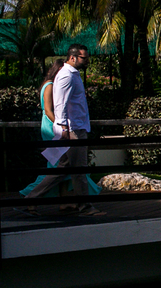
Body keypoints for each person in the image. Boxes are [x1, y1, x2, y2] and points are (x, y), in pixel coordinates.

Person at [22, 44, 104, 215]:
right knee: (78, 169)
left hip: (74, 128)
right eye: (84, 58)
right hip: (73, 130)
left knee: (62, 171)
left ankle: (31, 198)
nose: (87, 60)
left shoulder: (73, 74)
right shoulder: (67, 75)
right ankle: (85, 206)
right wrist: (65, 128)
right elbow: (60, 103)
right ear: (73, 57)